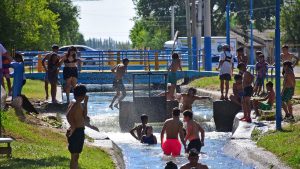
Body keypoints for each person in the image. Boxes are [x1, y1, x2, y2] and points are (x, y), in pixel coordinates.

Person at [66, 85, 88, 169]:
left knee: (76, 156)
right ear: (82, 95)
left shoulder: (77, 102)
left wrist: (86, 103)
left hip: (79, 131)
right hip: (76, 131)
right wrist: (73, 126)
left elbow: (84, 116)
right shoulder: (75, 103)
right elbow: (68, 115)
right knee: (74, 156)